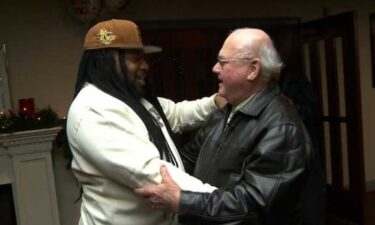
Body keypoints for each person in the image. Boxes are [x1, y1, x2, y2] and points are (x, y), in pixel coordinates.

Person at [135, 28, 326, 225]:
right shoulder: (227, 110)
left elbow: (252, 206)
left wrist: (183, 201)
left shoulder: (280, 128)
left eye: (223, 62)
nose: (215, 68)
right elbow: (187, 159)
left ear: (252, 69)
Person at [66, 19, 225, 225]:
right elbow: (150, 172)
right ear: (106, 60)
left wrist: (215, 102)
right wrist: (225, 202)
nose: (145, 66)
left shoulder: (132, 99)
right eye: (135, 58)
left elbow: (176, 114)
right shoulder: (94, 108)